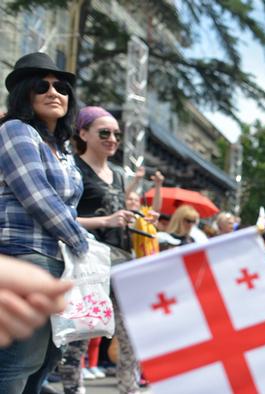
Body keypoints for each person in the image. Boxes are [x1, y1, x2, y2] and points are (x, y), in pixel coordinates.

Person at [0, 52, 90, 394]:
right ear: (25, 92)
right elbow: (36, 195)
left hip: (58, 259)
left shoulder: (63, 148)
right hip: (25, 255)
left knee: (50, 356)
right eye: (42, 85)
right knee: (19, 361)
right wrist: (81, 242)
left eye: (62, 87)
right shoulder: (15, 129)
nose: (54, 92)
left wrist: (78, 246)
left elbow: (66, 207)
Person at [59, 105, 141, 394]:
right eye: (104, 132)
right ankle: (73, 388)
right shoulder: (72, 168)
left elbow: (121, 213)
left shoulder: (119, 174)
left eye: (116, 134)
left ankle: (129, 388)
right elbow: (60, 215)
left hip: (122, 259)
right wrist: (105, 220)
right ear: (83, 133)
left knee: (129, 331)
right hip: (87, 258)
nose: (112, 139)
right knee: (82, 329)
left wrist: (138, 219)